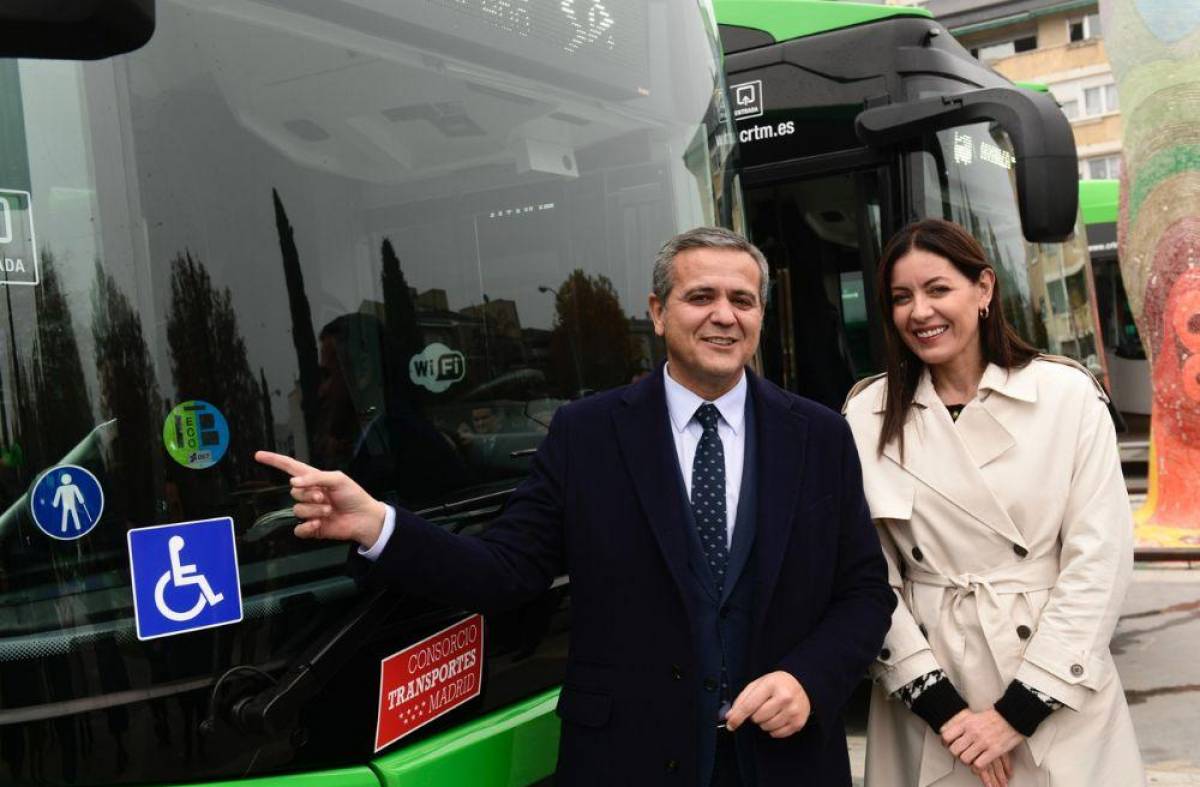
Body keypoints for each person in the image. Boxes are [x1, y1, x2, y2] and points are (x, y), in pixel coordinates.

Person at [257, 226, 894, 787]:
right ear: (658, 311)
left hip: (783, 761)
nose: (723, 316)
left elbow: (865, 592)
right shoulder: (587, 434)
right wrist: (381, 527)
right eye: (701, 297)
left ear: (759, 316)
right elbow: (508, 568)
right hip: (629, 758)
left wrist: (809, 679)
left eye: (742, 300)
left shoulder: (816, 434)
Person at [842, 219, 1144, 787]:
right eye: (901, 298)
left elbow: (1099, 560)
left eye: (938, 289)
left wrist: (1018, 713)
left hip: (1055, 687)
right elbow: (865, 576)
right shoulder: (866, 413)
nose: (920, 312)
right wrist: (944, 710)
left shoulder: (1065, 395)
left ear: (982, 290)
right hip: (929, 701)